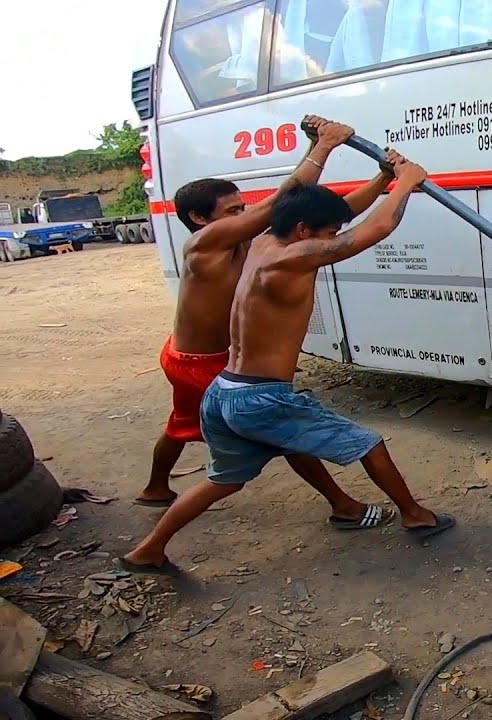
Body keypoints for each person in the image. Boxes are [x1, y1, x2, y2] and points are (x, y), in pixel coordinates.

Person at [120, 153, 450, 574]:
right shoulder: (292, 258)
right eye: (327, 234)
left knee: (223, 481)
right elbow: (376, 229)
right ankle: (415, 514)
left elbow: (343, 214)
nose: (331, 239)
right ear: (303, 231)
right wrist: (408, 183)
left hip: (224, 391)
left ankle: (148, 548)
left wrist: (384, 176)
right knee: (369, 444)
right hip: (262, 397)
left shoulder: (261, 244)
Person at [135, 115, 400, 532]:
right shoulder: (206, 244)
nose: (247, 214)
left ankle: (155, 491)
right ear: (200, 219)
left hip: (215, 363)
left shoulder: (256, 242)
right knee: (283, 435)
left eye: (243, 207)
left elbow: (317, 211)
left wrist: (382, 178)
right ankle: (344, 505)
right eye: (234, 211)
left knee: (189, 431)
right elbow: (284, 205)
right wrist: (323, 147)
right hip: (202, 362)